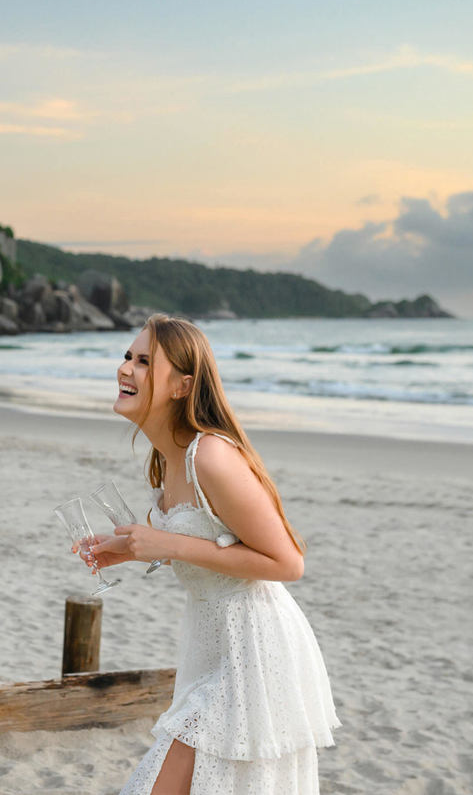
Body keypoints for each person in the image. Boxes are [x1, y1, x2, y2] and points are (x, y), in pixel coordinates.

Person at [86, 315, 339, 794]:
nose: (126, 369)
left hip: (256, 652)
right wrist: (131, 549)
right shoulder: (167, 462)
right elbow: (208, 547)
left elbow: (288, 563)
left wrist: (169, 544)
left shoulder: (211, 457)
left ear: (183, 385)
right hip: (210, 651)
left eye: (144, 362)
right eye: (127, 357)